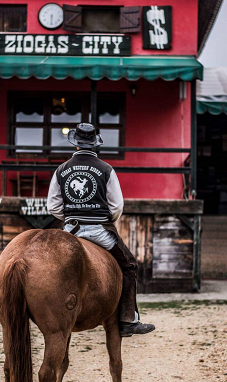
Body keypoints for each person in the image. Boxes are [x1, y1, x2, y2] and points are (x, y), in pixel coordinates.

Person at [47, 123, 155, 337]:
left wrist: (70, 217)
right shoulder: (106, 169)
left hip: (71, 231)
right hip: (99, 231)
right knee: (129, 264)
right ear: (95, 144)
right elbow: (117, 206)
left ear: (75, 143)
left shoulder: (61, 169)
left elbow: (53, 206)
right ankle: (127, 320)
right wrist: (105, 220)